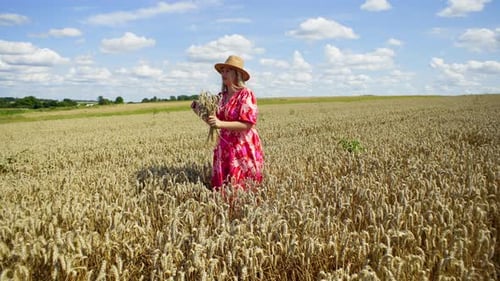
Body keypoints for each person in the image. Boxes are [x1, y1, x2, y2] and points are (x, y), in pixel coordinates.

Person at [193, 55, 264, 192]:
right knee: (225, 188)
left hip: (242, 146)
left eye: (227, 71)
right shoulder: (221, 97)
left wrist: (220, 124)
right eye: (222, 71)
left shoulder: (246, 94)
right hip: (224, 146)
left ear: (237, 74)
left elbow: (248, 125)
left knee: (243, 186)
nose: (223, 74)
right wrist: (199, 110)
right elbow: (214, 122)